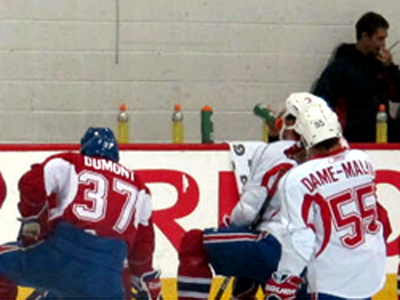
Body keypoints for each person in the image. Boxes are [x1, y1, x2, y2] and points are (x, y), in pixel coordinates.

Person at [176, 93, 327, 300]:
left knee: (194, 242)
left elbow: (248, 212)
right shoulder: (336, 160)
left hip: (278, 246)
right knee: (253, 253)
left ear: (293, 124)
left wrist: (230, 224)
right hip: (318, 262)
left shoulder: (276, 150)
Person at [0, 127, 162, 299]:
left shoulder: (72, 162)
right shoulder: (139, 188)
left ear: (84, 148)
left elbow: (31, 183)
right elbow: (142, 247)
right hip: (108, 278)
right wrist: (143, 278)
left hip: (59, 257)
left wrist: (33, 220)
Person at [264, 101, 387, 299]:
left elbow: (301, 238)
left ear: (303, 136)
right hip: (369, 271)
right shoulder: (363, 159)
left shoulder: (296, 179)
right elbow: (338, 157)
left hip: (332, 279)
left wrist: (285, 277)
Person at [312, 11, 400, 142]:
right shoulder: (342, 66)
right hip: (354, 133)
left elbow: (397, 95)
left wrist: (390, 67)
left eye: (385, 38)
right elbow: (320, 98)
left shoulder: (381, 65)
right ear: (365, 36)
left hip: (382, 129)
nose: (383, 45)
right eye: (379, 39)